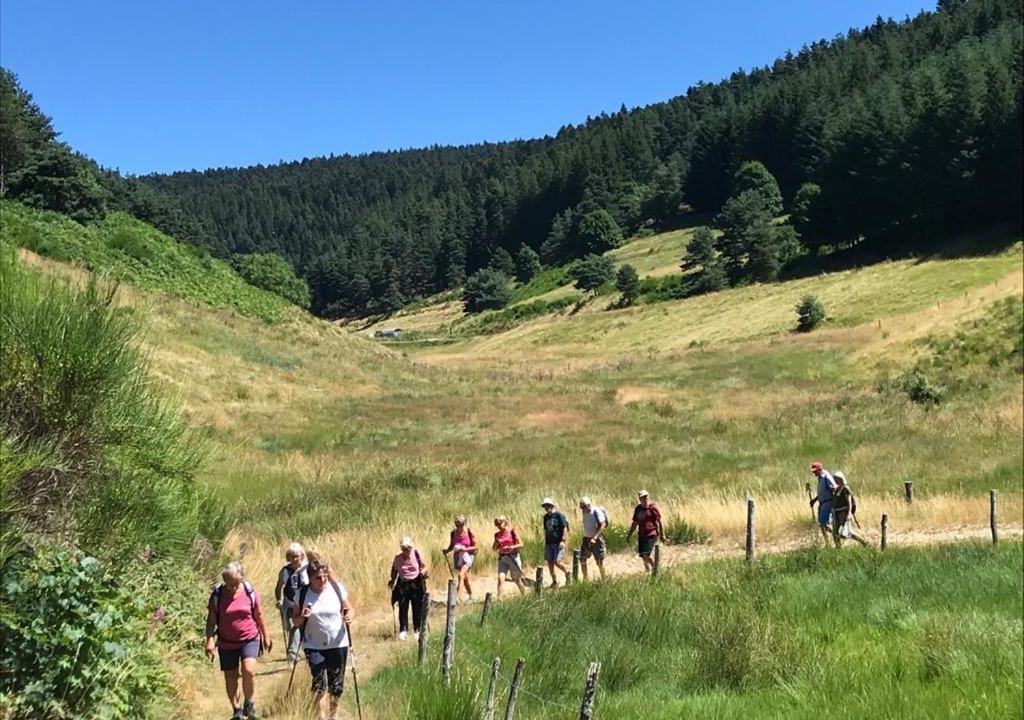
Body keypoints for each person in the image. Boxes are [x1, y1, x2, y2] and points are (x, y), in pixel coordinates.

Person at [204, 562, 272, 720]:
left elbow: (259, 615)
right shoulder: (218, 595)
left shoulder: (249, 591)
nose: (234, 587)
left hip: (250, 638)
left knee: (249, 671)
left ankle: (249, 704)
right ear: (224, 580)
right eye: (230, 584)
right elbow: (211, 619)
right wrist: (209, 640)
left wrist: (266, 635)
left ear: (242, 578)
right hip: (226, 641)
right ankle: (236, 710)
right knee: (231, 676)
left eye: (236, 583)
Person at [292, 554, 355, 720]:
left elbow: (350, 609)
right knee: (319, 681)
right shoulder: (302, 594)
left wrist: (349, 616)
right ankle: (321, 716)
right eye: (318, 578)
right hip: (313, 644)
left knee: (336, 685)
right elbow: (295, 621)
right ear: (310, 578)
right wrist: (303, 616)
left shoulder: (337, 588)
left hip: (338, 643)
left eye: (325, 576)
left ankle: (333, 715)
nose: (322, 580)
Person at [388, 537, 429, 640]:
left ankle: (417, 629)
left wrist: (423, 572)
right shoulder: (398, 558)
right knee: (403, 607)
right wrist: (392, 580)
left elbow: (425, 566)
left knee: (417, 607)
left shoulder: (417, 554)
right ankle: (403, 630)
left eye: (408, 549)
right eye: (404, 549)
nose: (406, 551)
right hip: (403, 583)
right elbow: (394, 570)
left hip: (416, 582)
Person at [273, 542, 307, 665]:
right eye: (292, 556)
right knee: (293, 627)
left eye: (297, 556)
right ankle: (294, 654)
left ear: (302, 556)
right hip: (290, 604)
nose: (295, 559)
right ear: (288, 557)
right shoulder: (285, 571)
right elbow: (278, 587)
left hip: (304, 604)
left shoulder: (307, 569)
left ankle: (296, 654)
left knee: (300, 628)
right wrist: (279, 600)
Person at [625, 490, 665, 573]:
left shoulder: (652, 507)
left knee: (646, 554)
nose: (645, 499)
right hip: (642, 535)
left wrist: (662, 535)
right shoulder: (638, 509)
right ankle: (648, 572)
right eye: (643, 497)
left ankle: (656, 569)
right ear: (640, 499)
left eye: (646, 497)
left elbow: (659, 521)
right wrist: (629, 535)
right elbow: (635, 523)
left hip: (651, 533)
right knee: (643, 556)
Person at [442, 515, 477, 604]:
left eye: (461, 524)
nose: (459, 527)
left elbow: (476, 546)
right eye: (457, 525)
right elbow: (452, 545)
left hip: (468, 556)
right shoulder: (453, 533)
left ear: (464, 523)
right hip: (458, 557)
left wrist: (465, 549)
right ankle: (471, 597)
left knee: (461, 575)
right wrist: (446, 550)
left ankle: (457, 597)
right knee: (465, 579)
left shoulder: (469, 532)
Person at [831, 471, 870, 547]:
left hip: (843, 513)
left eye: (836, 478)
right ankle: (838, 547)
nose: (835, 480)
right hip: (836, 513)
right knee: (835, 532)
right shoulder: (837, 488)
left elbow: (849, 502)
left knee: (849, 532)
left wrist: (849, 514)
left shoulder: (845, 488)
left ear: (840, 479)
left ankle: (864, 542)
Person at [492, 516, 526, 599]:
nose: (498, 526)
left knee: (516, 579)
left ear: (505, 522)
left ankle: (524, 595)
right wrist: (496, 543)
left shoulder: (512, 531)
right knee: (500, 578)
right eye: (497, 525)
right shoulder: (497, 535)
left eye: (499, 524)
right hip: (503, 558)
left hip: (513, 557)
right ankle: (499, 598)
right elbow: (494, 549)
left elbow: (521, 544)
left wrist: (511, 547)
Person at [541, 497, 570, 588]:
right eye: (545, 506)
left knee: (557, 561)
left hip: (558, 542)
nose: (546, 508)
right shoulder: (546, 517)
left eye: (548, 505)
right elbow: (546, 530)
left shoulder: (559, 515)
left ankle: (568, 573)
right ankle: (554, 582)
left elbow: (565, 528)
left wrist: (563, 540)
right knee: (550, 563)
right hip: (549, 543)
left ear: (552, 506)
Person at [578, 497, 608, 580]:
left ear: (588, 505)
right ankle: (585, 579)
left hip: (597, 539)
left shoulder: (596, 511)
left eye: (583, 507)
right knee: (582, 559)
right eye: (581, 507)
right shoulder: (584, 512)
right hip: (586, 539)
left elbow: (603, 524)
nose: (582, 509)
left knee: (599, 561)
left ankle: (604, 579)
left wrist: (595, 537)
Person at [809, 461, 838, 541]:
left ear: (820, 469)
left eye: (815, 471)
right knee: (821, 524)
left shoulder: (826, 476)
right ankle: (835, 536)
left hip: (828, 502)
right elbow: (822, 492)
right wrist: (814, 500)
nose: (814, 473)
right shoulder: (820, 477)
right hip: (822, 503)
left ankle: (829, 541)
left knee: (822, 523)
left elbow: (834, 488)